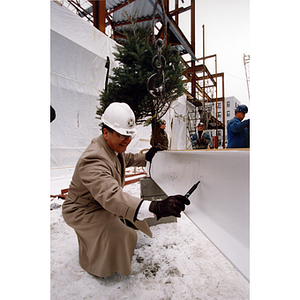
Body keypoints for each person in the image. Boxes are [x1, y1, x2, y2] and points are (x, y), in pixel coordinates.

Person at [62, 102, 190, 278]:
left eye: (130, 136)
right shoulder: (92, 159)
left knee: (127, 230)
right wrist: (155, 207)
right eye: (122, 135)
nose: (127, 141)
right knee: (121, 234)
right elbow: (111, 195)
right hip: (82, 210)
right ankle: (98, 267)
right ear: (105, 132)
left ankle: (104, 250)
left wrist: (146, 156)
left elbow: (125, 159)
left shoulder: (111, 147)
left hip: (98, 203)